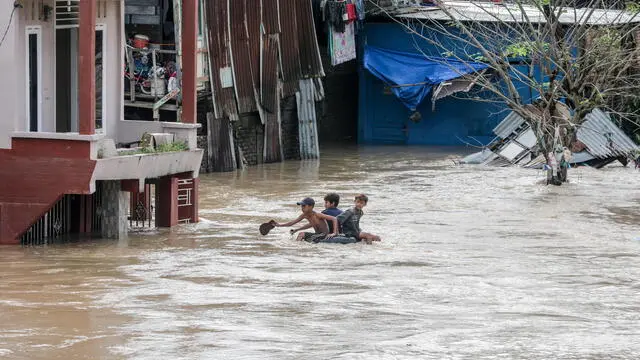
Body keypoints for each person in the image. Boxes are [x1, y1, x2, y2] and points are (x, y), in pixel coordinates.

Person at [274, 197, 339, 242]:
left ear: (311, 207)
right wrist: (280, 225)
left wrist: (334, 233)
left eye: (304, 206)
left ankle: (297, 248)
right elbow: (292, 222)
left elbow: (334, 218)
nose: (302, 208)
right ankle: (298, 248)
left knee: (302, 234)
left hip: (323, 234)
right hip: (317, 234)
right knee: (301, 235)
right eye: (301, 206)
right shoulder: (305, 215)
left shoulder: (318, 215)